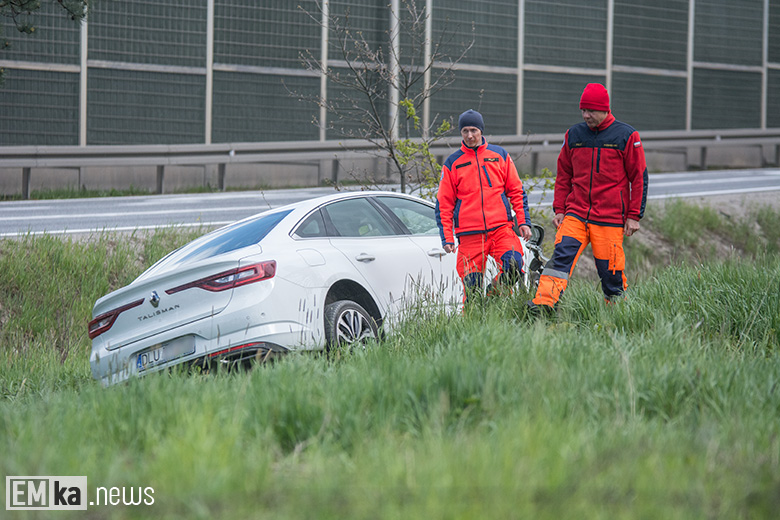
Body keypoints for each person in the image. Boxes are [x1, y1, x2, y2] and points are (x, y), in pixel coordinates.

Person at [528, 83, 648, 315]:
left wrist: (634, 216)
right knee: (560, 259)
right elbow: (564, 174)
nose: (586, 115)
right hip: (576, 214)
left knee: (610, 271)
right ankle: (543, 305)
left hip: (610, 218)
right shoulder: (574, 134)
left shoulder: (627, 135)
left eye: (590, 110)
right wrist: (560, 209)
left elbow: (639, 178)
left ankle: (617, 314)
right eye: (583, 110)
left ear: (605, 109)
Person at [436, 109, 532, 303]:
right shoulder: (452, 163)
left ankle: (491, 297)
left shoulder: (499, 155)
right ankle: (475, 320)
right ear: (461, 133)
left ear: (481, 130)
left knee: (514, 266)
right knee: (472, 290)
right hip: (469, 235)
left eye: (473, 130)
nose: (470, 135)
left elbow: (516, 191)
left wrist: (523, 221)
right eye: (465, 131)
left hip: (501, 229)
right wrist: (447, 236)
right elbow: (444, 203)